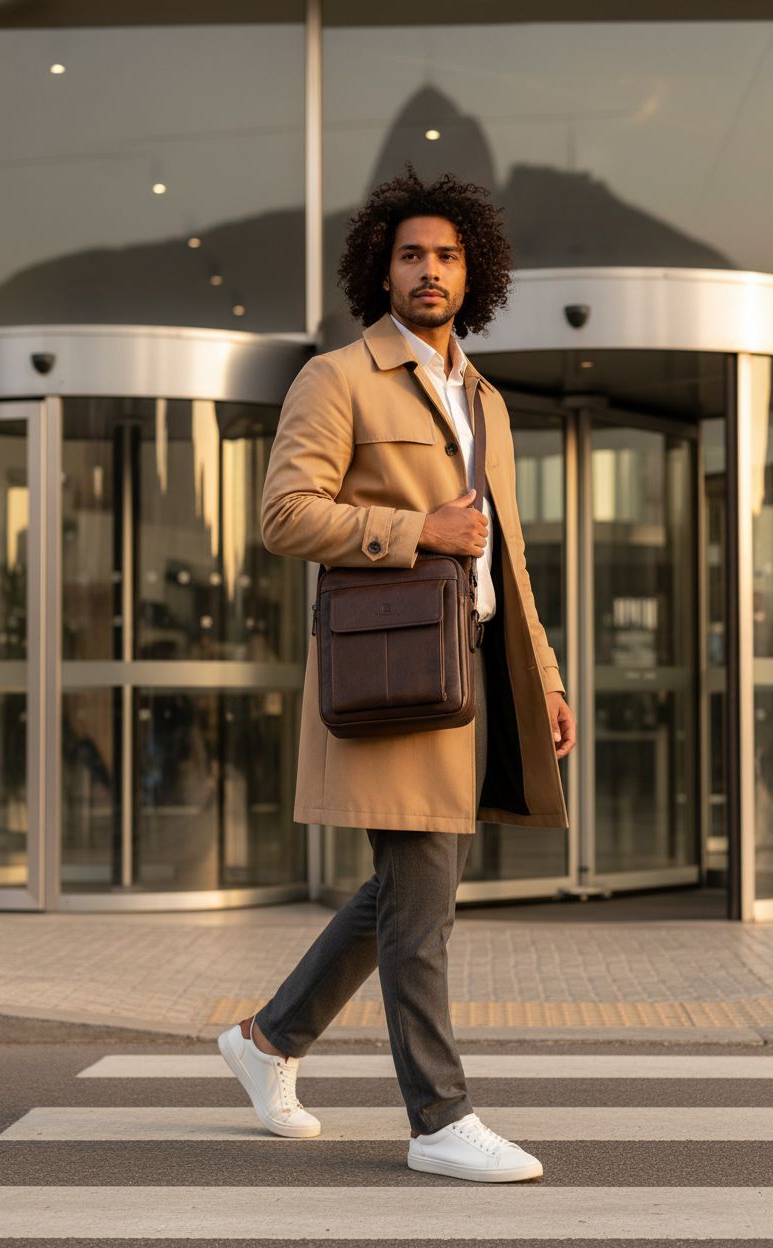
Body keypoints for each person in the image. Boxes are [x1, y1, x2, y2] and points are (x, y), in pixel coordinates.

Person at [218, 167, 577, 1182]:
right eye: (412, 254)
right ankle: (439, 1118)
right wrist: (416, 528)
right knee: (424, 905)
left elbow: (504, 557)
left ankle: (267, 1041)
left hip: (473, 678)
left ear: (476, 273)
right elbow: (286, 513)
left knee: (404, 891)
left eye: (448, 256)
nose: (430, 271)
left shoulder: (485, 401)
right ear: (381, 267)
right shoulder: (336, 378)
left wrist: (545, 676)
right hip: (393, 676)